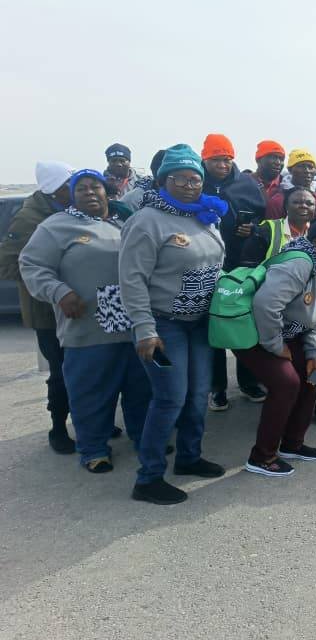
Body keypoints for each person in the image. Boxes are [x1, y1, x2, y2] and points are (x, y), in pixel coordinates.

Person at [19, 169, 150, 472]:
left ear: (107, 192)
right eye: (81, 189)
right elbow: (31, 264)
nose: (89, 192)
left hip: (132, 324)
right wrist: (59, 292)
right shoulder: (56, 227)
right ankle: (93, 449)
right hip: (88, 326)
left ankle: (145, 438)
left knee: (140, 388)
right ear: (72, 196)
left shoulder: (125, 222)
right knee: (91, 391)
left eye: (95, 187)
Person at [119, 144, 227, 505]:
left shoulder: (203, 216)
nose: (189, 184)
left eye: (195, 178)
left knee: (198, 395)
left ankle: (189, 457)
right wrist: (144, 328)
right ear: (165, 180)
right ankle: (148, 478)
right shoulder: (147, 221)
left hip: (199, 324)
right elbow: (132, 278)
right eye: (180, 178)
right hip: (164, 326)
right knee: (169, 398)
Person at [236, 219, 316, 477]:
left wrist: (313, 355)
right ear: (315, 243)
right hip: (256, 333)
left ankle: (292, 445)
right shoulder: (300, 263)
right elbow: (265, 306)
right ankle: (261, 457)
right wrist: (276, 347)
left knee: (313, 377)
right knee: (286, 384)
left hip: (289, 334)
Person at [0, 161, 76, 453]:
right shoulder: (30, 219)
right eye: (69, 186)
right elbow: (8, 264)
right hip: (48, 313)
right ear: (55, 190)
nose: (75, 190)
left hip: (77, 309)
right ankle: (58, 429)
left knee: (88, 370)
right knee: (61, 373)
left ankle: (94, 421)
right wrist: (48, 280)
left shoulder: (66, 210)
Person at [200, 133, 268, 410]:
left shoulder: (246, 185)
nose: (223, 165)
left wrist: (250, 229)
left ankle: (249, 382)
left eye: (227, 159)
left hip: (240, 266)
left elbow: (263, 220)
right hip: (205, 267)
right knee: (213, 330)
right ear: (205, 160)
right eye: (216, 159)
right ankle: (216, 387)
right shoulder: (195, 185)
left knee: (243, 325)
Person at [266, 149, 316, 219]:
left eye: (311, 167)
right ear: (290, 170)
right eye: (301, 166)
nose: (307, 171)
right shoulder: (277, 201)